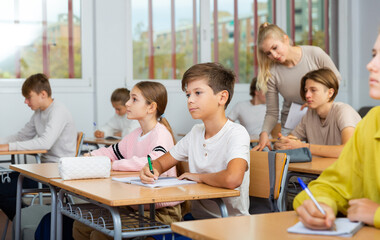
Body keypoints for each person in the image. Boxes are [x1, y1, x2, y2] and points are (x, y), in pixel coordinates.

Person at [140, 62, 250, 221]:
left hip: (230, 223)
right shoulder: (196, 133)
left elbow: (232, 178)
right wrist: (151, 169)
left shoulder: (236, 133)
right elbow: (161, 163)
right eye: (188, 94)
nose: (190, 100)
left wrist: (199, 177)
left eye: (198, 93)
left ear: (222, 97)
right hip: (197, 219)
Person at [73, 81, 182, 240]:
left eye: (134, 99)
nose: (127, 103)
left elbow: (151, 162)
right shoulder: (135, 134)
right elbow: (111, 151)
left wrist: (113, 165)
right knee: (80, 225)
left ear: (151, 107)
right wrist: (89, 157)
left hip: (161, 212)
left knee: (100, 234)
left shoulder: (161, 134)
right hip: (136, 206)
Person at [293, 32, 380, 229]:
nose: (371, 65)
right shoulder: (373, 121)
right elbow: (332, 186)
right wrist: (321, 204)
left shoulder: (344, 112)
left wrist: (376, 213)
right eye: (374, 54)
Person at [253, 22, 341, 151]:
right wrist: (264, 133)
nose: (274, 55)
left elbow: (336, 80)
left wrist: (316, 101)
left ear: (285, 39)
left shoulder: (314, 54)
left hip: (321, 119)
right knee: (288, 164)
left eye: (275, 47)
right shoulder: (271, 73)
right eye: (268, 53)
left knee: (321, 159)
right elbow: (272, 112)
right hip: (292, 125)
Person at [0, 73, 77, 220]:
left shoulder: (58, 110)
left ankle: (25, 221)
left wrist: (8, 146)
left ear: (43, 94)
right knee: (3, 184)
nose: (26, 102)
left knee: (3, 187)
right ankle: (26, 220)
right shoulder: (39, 113)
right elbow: (21, 136)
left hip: (57, 172)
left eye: (28, 97)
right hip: (43, 169)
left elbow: (44, 143)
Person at [274, 68, 361, 158]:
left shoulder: (344, 111)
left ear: (330, 93)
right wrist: (283, 144)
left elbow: (348, 150)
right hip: (320, 169)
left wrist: (303, 146)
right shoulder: (309, 115)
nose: (307, 95)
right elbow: (292, 140)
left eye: (313, 90)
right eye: (306, 90)